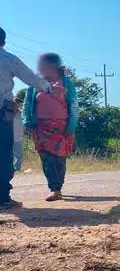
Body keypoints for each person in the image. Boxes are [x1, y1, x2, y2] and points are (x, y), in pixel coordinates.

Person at [0, 27, 51, 208]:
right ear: (3, 43)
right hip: (1, 114)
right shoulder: (9, 60)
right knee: (3, 154)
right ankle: (3, 198)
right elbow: (31, 78)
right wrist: (49, 88)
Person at [23, 53, 77, 201]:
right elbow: (27, 103)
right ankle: (54, 188)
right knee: (46, 158)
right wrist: (27, 121)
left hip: (61, 127)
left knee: (59, 158)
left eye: (46, 65)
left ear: (54, 67)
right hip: (41, 126)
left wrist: (71, 127)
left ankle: (58, 187)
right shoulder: (35, 84)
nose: (42, 68)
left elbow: (73, 106)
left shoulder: (66, 84)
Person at [12, 94, 23, 175]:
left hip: (19, 137)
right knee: (8, 154)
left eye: (19, 102)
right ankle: (9, 168)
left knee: (19, 155)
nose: (17, 104)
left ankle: (17, 169)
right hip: (9, 137)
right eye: (16, 102)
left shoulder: (21, 113)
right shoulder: (8, 113)